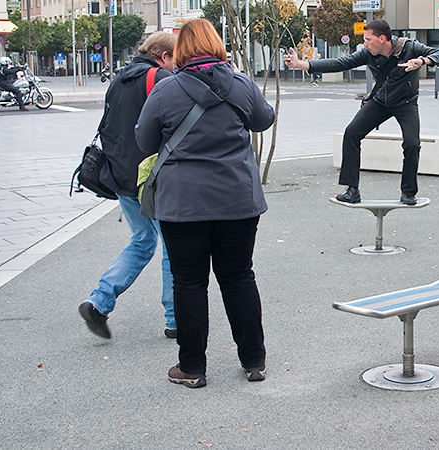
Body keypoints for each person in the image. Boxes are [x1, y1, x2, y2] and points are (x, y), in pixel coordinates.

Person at [135, 18, 275, 388]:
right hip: (237, 201)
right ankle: (254, 361)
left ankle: (192, 368)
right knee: (239, 277)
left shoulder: (166, 90)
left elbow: (145, 140)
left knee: (189, 283)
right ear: (216, 45)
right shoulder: (241, 83)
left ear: (180, 50)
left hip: (183, 205)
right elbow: (263, 120)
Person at [283, 19, 439, 205]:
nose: (364, 44)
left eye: (368, 39)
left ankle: (408, 193)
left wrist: (422, 61)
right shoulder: (368, 54)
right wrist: (302, 64)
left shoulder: (410, 47)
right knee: (351, 133)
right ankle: (352, 190)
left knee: (412, 144)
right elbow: (340, 63)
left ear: (382, 38)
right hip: (380, 101)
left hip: (406, 103)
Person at [78, 31, 179, 340]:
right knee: (173, 246)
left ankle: (99, 302)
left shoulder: (119, 78)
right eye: (176, 59)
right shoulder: (159, 77)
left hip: (120, 177)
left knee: (143, 240)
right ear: (163, 56)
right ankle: (176, 319)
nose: (178, 65)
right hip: (150, 178)